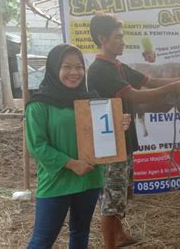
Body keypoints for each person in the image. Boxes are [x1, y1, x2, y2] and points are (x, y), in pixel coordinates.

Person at [87, 13, 180, 249]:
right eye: (118, 37)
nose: (123, 42)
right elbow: (133, 95)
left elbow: (148, 81)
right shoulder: (100, 70)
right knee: (111, 199)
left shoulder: (116, 66)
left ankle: (120, 235)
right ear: (103, 39)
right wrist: (174, 87)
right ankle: (109, 245)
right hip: (110, 143)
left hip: (123, 137)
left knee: (120, 192)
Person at [26, 44, 132, 248]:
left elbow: (103, 132)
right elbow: (37, 146)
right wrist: (71, 163)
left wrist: (119, 125)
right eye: (67, 67)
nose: (74, 73)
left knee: (80, 234)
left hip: (89, 179)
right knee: (42, 240)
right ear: (54, 68)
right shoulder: (39, 104)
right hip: (57, 181)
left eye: (79, 67)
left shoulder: (91, 100)